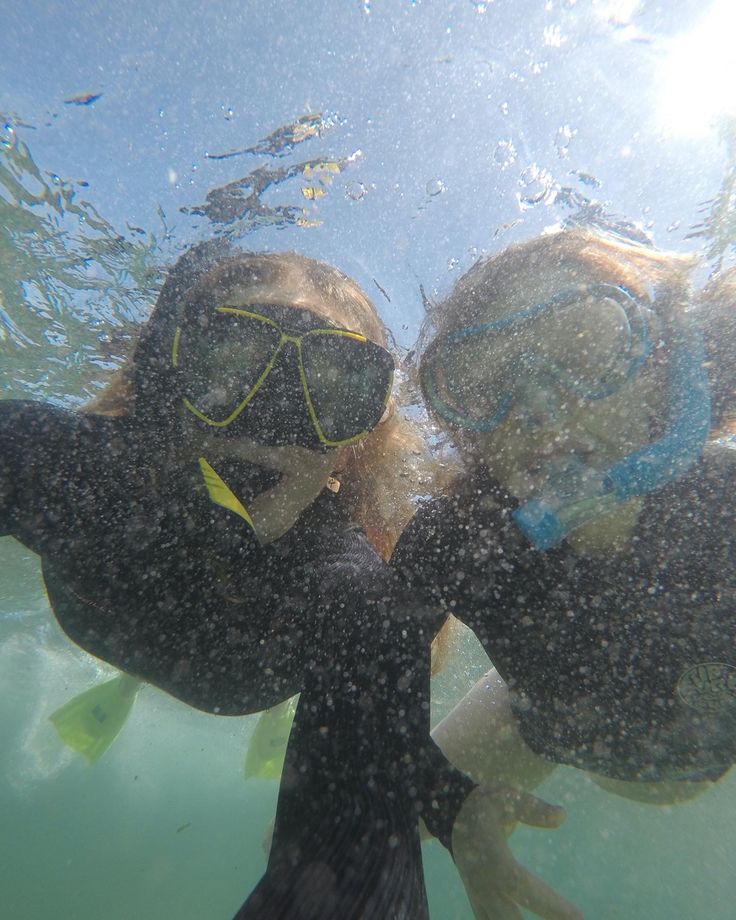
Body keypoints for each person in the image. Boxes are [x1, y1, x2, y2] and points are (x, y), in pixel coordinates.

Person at [0, 241, 469, 918]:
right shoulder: (73, 469)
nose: (273, 412)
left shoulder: (357, 595)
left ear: (355, 440)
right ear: (168, 381)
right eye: (231, 363)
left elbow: (355, 880)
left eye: (331, 387)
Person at [392, 227, 736, 919]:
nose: (543, 410)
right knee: (364, 832)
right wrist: (447, 804)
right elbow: (365, 710)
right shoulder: (459, 541)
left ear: (665, 366)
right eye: (485, 385)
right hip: (536, 723)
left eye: (586, 343)